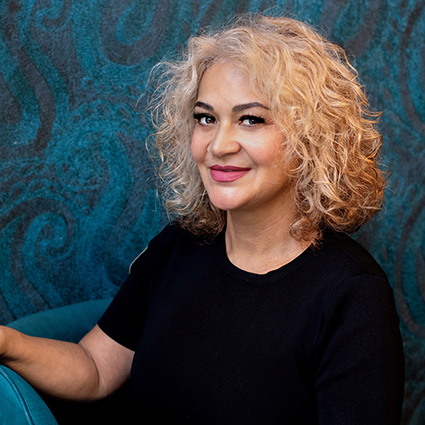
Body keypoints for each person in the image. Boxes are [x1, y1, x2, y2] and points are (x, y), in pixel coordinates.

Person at [0, 14, 404, 424]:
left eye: (251, 119)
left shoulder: (352, 294)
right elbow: (96, 369)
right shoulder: (178, 247)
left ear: (311, 139)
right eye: (206, 118)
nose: (219, 145)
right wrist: (6, 342)